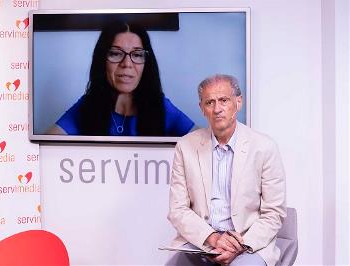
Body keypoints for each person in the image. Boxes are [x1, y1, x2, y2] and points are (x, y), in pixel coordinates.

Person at [167, 74, 286, 266]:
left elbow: (274, 213)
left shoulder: (264, 147)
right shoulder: (185, 146)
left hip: (248, 243)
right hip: (203, 241)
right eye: (209, 102)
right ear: (202, 109)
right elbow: (178, 210)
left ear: (238, 103)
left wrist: (239, 244)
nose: (217, 109)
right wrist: (212, 238)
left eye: (224, 100)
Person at [47, 21, 194, 136]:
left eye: (137, 54)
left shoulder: (161, 108)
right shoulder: (87, 106)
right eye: (116, 53)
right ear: (102, 60)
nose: (127, 64)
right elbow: (46, 145)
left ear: (146, 64)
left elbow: (204, 144)